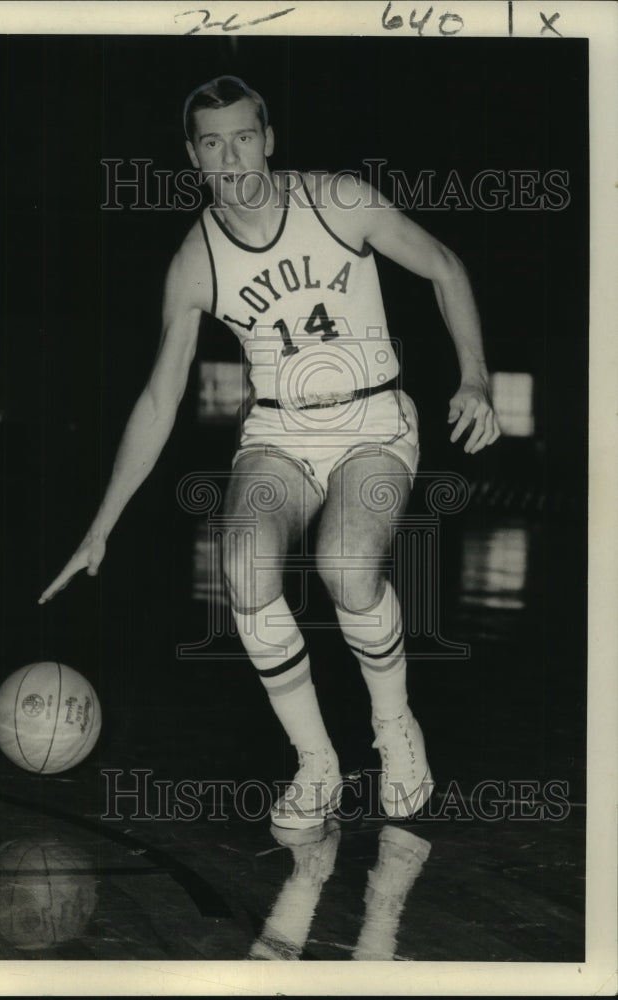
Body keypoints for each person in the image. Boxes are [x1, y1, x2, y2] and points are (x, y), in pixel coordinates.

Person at [39, 76, 501, 829]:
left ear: (269, 139)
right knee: (242, 566)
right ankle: (315, 763)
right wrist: (101, 526)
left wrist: (475, 378)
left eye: (244, 136)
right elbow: (159, 399)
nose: (233, 156)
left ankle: (394, 730)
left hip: (372, 421)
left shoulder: (337, 201)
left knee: (346, 565)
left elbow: (444, 265)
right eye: (213, 143)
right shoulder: (196, 261)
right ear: (193, 157)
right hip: (277, 430)